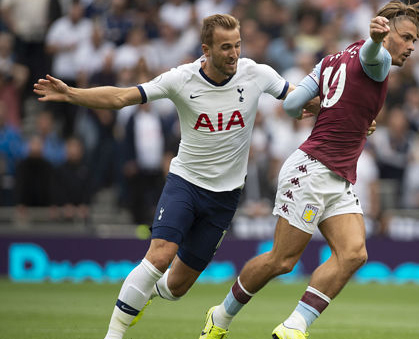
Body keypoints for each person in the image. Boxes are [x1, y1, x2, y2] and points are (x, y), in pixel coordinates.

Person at [34, 13, 311, 339]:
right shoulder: (181, 79)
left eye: (237, 45)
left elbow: (302, 98)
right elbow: (122, 97)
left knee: (178, 287)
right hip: (186, 184)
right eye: (225, 47)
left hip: (225, 196)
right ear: (206, 49)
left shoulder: (256, 73)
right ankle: (114, 333)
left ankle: (143, 295)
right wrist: (73, 94)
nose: (234, 53)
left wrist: (352, 118)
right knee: (161, 253)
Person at [198, 2, 419, 339]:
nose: (410, 47)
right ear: (386, 31)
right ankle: (220, 316)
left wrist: (340, 110)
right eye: (406, 38)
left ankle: (294, 326)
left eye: (414, 42)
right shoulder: (375, 58)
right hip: (312, 169)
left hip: (337, 175)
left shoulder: (331, 59)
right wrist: (375, 41)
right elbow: (372, 58)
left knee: (353, 253)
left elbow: (292, 105)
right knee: (281, 260)